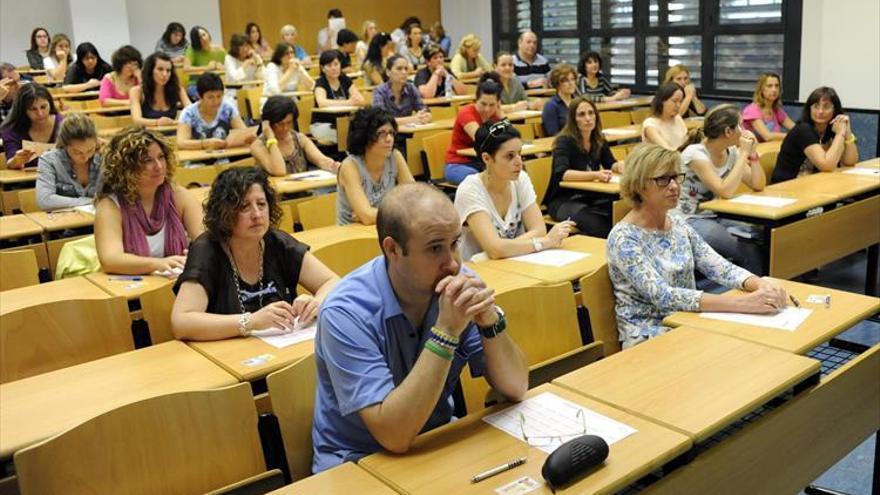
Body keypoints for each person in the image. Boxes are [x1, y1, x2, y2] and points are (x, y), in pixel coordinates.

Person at [312, 182, 528, 472]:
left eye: (455, 243)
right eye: (435, 248)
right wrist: (447, 332)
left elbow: (516, 387)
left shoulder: (456, 283)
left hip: (433, 443)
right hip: (358, 462)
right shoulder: (346, 313)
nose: (452, 263)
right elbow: (394, 436)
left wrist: (489, 319)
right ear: (393, 250)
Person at [607, 143, 788, 349]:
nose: (674, 186)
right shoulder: (624, 238)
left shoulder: (678, 224)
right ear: (638, 185)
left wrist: (759, 283)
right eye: (663, 180)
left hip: (687, 322)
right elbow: (663, 296)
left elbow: (719, 266)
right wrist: (742, 304)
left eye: (676, 177)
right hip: (648, 336)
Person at [171, 167, 339, 341]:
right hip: (227, 356)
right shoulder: (207, 250)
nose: (257, 215)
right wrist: (250, 321)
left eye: (261, 204)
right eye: (244, 207)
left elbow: (332, 281)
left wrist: (317, 302)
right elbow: (181, 322)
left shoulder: (278, 242)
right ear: (224, 212)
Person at [454, 120, 574, 261]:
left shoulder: (520, 179)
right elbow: (495, 249)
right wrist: (546, 242)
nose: (519, 162)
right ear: (487, 158)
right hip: (478, 273)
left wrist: (507, 248)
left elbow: (539, 230)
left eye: (519, 154)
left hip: (514, 262)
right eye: (509, 156)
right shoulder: (470, 190)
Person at [95, 127, 203, 275]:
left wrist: (196, 255)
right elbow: (111, 260)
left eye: (161, 157)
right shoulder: (109, 207)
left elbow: (206, 240)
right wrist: (159, 264)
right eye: (147, 160)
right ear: (126, 168)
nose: (158, 166)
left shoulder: (179, 196)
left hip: (176, 283)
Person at [676, 104, 765, 274]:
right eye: (740, 125)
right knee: (744, 248)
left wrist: (752, 155)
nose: (744, 130)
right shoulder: (695, 154)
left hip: (716, 215)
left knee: (760, 235)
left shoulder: (730, 152)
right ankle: (754, 291)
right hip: (689, 219)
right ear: (728, 132)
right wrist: (743, 154)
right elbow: (724, 191)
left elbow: (758, 184)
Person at [546, 97, 624, 237]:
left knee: (622, 211)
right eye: (581, 115)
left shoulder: (598, 138)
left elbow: (610, 163)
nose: (588, 118)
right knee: (599, 225)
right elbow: (562, 174)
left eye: (591, 113)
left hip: (589, 197)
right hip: (563, 200)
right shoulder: (564, 141)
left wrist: (619, 166)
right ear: (573, 119)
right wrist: (595, 175)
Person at [336, 106, 415, 225]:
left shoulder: (395, 157)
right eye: (381, 134)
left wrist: (375, 214)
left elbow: (415, 198)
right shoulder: (350, 166)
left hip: (386, 227)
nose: (389, 139)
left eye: (391, 133)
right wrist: (368, 214)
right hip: (352, 234)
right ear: (364, 137)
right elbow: (367, 217)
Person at [772, 86, 859, 183]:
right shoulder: (803, 130)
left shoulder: (833, 128)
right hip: (787, 188)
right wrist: (840, 134)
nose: (820, 111)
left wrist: (847, 130)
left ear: (835, 110)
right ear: (809, 109)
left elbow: (850, 161)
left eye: (826, 107)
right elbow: (827, 165)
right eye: (816, 106)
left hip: (813, 184)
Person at [252, 95, 341, 176]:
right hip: (275, 193)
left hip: (304, 191)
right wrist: (271, 138)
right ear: (269, 123)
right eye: (280, 124)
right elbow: (279, 171)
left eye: (289, 122)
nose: (285, 128)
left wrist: (333, 165)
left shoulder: (299, 139)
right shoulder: (258, 146)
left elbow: (321, 160)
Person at [444, 73, 504, 184]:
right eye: (483, 104)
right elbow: (480, 138)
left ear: (498, 104)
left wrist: (503, 118)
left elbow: (510, 138)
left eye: (492, 105)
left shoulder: (496, 115)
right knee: (478, 179)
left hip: (483, 163)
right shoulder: (466, 112)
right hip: (459, 165)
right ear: (475, 100)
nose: (487, 109)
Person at [36, 113, 102, 210]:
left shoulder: (104, 157)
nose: (85, 157)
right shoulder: (49, 160)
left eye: (90, 150)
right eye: (77, 152)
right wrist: (90, 201)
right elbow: (44, 200)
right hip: (64, 222)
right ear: (65, 145)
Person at [177, 72, 256, 150]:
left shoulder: (228, 109)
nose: (216, 101)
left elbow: (243, 132)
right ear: (200, 96)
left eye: (219, 96)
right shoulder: (188, 113)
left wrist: (250, 136)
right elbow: (181, 142)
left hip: (225, 157)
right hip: (196, 160)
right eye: (210, 97)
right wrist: (205, 143)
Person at [0, 84, 63, 169]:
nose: (40, 113)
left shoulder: (63, 124)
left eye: (43, 107)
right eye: (33, 109)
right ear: (23, 110)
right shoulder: (12, 130)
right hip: (27, 181)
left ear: (50, 104)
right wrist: (16, 161)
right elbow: (11, 162)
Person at [312, 49, 365, 143]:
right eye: (329, 65)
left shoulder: (345, 79)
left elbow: (360, 100)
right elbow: (322, 103)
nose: (333, 68)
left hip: (344, 123)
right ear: (322, 68)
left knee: (361, 131)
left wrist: (356, 100)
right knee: (348, 135)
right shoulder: (320, 83)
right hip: (323, 125)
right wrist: (348, 102)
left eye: (336, 64)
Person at [130, 52, 190, 128]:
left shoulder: (178, 88)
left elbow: (190, 110)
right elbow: (137, 120)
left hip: (173, 134)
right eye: (160, 69)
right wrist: (157, 122)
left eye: (168, 70)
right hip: (148, 136)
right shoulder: (136, 91)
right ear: (150, 70)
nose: (165, 74)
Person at [370, 55, 431, 126]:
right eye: (399, 69)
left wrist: (425, 117)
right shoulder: (379, 91)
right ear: (388, 72)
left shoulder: (411, 88)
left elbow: (426, 112)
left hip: (409, 135)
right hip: (388, 135)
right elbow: (381, 120)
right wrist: (413, 119)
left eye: (406, 69)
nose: (404, 72)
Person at [741, 73, 795, 142]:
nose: (774, 90)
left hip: (770, 149)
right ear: (761, 89)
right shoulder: (752, 110)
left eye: (777, 86)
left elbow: (795, 128)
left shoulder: (776, 110)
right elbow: (767, 136)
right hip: (752, 151)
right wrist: (792, 136)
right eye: (769, 86)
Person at [641, 82, 688, 150]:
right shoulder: (650, 124)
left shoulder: (678, 118)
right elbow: (666, 150)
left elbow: (686, 144)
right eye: (674, 101)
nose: (678, 105)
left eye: (680, 101)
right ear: (662, 101)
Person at [541, 64, 578, 136]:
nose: (571, 83)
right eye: (566, 81)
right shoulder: (551, 106)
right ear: (557, 83)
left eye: (573, 79)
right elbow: (553, 134)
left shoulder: (578, 102)